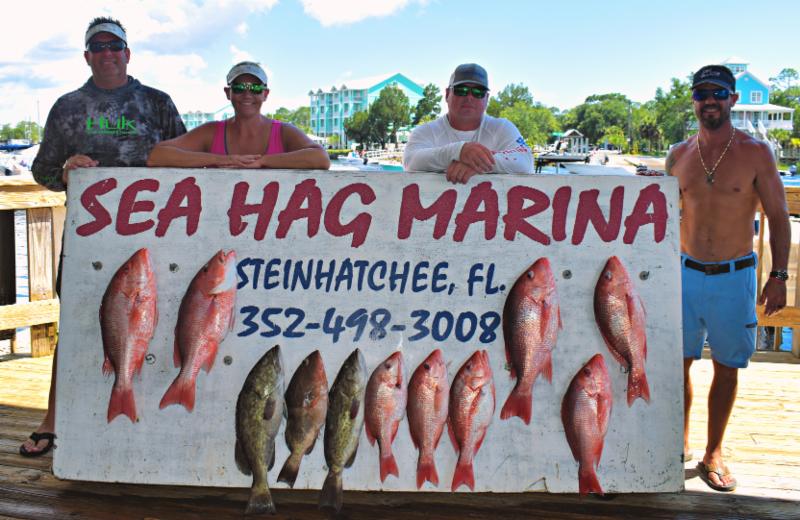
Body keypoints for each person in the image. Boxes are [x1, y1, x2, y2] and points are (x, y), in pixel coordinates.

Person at [21, 16, 186, 457]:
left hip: (153, 235)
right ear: (87, 56)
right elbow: (41, 171)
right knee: (74, 325)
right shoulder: (67, 107)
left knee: (157, 324)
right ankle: (52, 419)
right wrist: (65, 170)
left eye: (115, 45)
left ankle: (153, 422)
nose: (107, 53)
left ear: (127, 53)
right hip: (89, 240)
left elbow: (188, 159)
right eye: (98, 46)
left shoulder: (157, 103)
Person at [639, 64, 790, 492]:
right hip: (683, 274)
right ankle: (680, 440)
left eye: (719, 93)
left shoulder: (757, 153)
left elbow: (779, 216)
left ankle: (714, 452)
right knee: (677, 363)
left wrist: (778, 274)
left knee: (727, 367)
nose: (710, 101)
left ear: (733, 100)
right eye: (702, 93)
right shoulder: (678, 154)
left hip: (734, 275)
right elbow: (661, 213)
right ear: (693, 101)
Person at [147, 61, 330, 170]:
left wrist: (263, 162)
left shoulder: (283, 131)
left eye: (255, 88)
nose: (247, 94)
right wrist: (222, 160)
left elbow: (321, 158)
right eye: (239, 88)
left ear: (265, 94)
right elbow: (157, 155)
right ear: (228, 93)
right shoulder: (211, 132)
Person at [402, 63, 533, 183]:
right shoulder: (425, 131)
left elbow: (525, 161)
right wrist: (458, 151)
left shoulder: (502, 127)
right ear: (447, 94)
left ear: (487, 98)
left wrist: (475, 164)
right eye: (461, 90)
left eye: (478, 92)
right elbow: (411, 162)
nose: (469, 97)